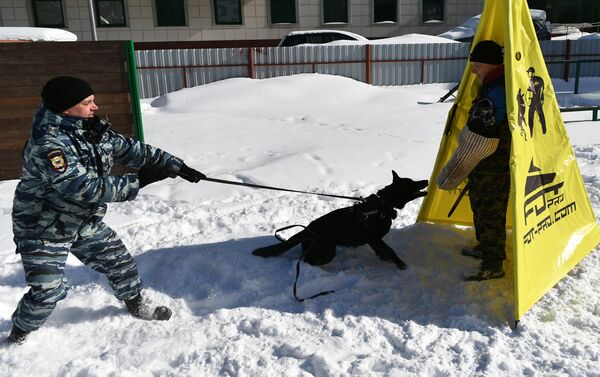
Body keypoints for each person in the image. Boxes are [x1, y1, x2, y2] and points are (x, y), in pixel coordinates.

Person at [7, 76, 205, 344]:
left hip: (82, 221)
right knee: (48, 292)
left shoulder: (89, 129)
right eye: (87, 102)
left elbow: (130, 149)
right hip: (43, 228)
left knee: (121, 264)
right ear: (66, 108)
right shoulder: (48, 145)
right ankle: (20, 331)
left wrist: (174, 165)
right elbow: (84, 187)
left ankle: (136, 304)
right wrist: (141, 180)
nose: (95, 107)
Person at [435, 40, 510, 281]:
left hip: (493, 166)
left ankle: (493, 264)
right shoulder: (490, 84)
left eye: (477, 65)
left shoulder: (497, 91)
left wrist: (458, 166)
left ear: (490, 64)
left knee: (490, 214)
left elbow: (482, 133)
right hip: (485, 165)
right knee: (479, 207)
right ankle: (484, 247)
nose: (474, 70)